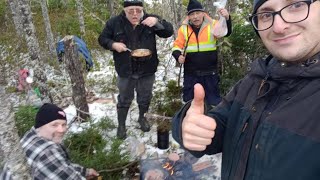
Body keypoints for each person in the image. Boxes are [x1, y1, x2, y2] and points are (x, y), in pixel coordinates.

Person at [172, 0, 320, 179]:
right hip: (191, 71)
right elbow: (219, 126)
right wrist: (190, 126)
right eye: (266, 14)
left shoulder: (211, 24)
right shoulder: (255, 80)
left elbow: (224, 32)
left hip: (209, 70)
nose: (279, 26)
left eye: (296, 5)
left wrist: (225, 19)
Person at [98, 0, 174, 139]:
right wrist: (113, 44)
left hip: (147, 68)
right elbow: (102, 39)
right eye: (130, 11)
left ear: (142, 10)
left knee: (145, 97)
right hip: (125, 69)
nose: (135, 14)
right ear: (124, 10)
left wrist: (157, 22)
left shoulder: (149, 20)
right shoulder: (114, 22)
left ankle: (142, 118)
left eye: (138, 10)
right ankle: (121, 125)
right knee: (124, 98)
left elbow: (168, 32)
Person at [172, 0, 232, 106]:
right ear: (189, 16)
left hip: (210, 73)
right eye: (192, 14)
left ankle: (213, 120)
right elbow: (176, 46)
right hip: (191, 74)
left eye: (197, 13)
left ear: (203, 13)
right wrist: (178, 56)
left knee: (213, 103)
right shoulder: (184, 29)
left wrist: (226, 18)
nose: (195, 17)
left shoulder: (212, 25)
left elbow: (226, 33)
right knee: (190, 103)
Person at [20, 103, 99, 180]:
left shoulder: (31, 137)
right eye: (54, 125)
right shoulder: (48, 151)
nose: (61, 130)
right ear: (41, 125)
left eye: (64, 124)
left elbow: (60, 166)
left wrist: (84, 172)